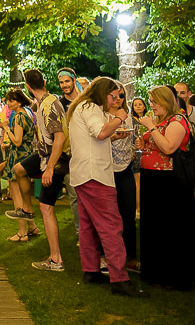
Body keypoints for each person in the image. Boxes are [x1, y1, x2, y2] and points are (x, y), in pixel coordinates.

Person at [69, 78, 148, 297]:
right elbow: (100, 133)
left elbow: (96, 138)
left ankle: (91, 270)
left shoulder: (83, 107)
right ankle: (120, 279)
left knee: (87, 226)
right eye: (114, 96)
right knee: (112, 226)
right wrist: (119, 119)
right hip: (95, 175)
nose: (117, 100)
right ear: (105, 93)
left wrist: (114, 136)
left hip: (83, 173)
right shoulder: (92, 107)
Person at [135, 85, 195, 290]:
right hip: (151, 177)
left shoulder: (177, 121)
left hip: (170, 180)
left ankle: (175, 275)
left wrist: (151, 128)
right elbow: (154, 145)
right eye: (150, 101)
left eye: (154, 101)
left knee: (171, 227)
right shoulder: (158, 121)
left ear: (166, 101)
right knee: (154, 227)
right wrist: (143, 143)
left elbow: (168, 147)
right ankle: (156, 272)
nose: (151, 105)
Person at [6, 69, 70, 273]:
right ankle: (26, 209)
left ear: (27, 87)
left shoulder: (48, 105)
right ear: (44, 81)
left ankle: (56, 259)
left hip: (56, 159)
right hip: (44, 154)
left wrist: (50, 167)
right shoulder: (44, 102)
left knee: (47, 208)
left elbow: (59, 137)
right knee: (19, 169)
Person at [107, 84, 140, 275]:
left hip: (126, 169)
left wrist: (135, 148)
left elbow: (133, 140)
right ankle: (107, 256)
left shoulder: (129, 117)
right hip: (106, 171)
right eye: (114, 95)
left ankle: (131, 258)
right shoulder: (102, 117)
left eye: (121, 95)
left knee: (128, 216)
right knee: (108, 218)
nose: (118, 98)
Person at [1, 88, 40, 242]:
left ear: (19, 101)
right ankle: (32, 227)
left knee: (17, 195)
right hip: (27, 155)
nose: (8, 103)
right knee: (25, 195)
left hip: (17, 156)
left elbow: (17, 141)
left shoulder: (18, 117)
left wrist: (5, 128)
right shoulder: (29, 112)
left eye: (11, 100)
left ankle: (22, 232)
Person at [57, 68, 83, 226]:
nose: (64, 85)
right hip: (68, 154)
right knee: (74, 196)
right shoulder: (59, 104)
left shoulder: (84, 102)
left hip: (86, 152)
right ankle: (80, 232)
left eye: (67, 81)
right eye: (61, 82)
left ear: (74, 80)